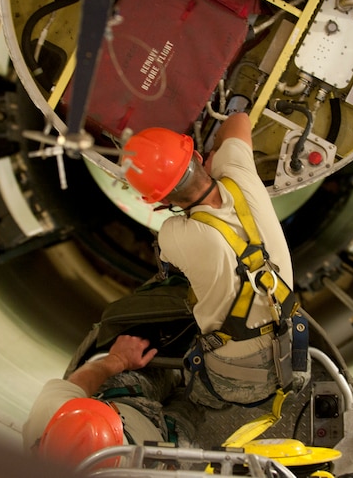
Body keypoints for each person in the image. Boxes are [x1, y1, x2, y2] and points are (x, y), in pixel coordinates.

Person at [121, 112, 307, 409]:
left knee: (192, 396)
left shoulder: (173, 234)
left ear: (159, 201)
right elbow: (239, 119)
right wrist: (217, 156)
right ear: (196, 154)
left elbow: (172, 265)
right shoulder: (238, 173)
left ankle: (204, 407)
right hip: (294, 349)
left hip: (238, 377)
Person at [23, 334, 199, 469]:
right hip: (163, 449)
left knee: (168, 360)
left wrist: (117, 360)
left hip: (127, 400)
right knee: (208, 399)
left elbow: (78, 383)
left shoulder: (49, 416)